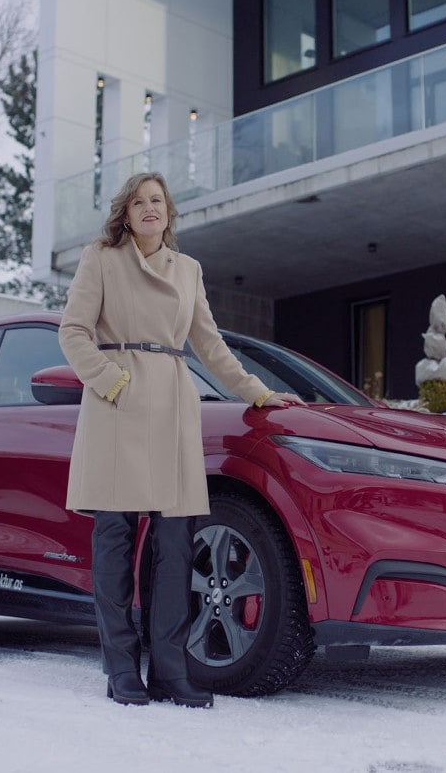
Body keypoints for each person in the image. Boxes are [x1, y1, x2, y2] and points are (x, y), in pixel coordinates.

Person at [58, 172, 304, 708]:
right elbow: (73, 330)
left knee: (175, 549)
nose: (150, 209)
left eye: (159, 202)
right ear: (126, 213)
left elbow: (211, 346)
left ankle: (170, 670)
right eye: (140, 201)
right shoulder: (101, 257)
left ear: (169, 214)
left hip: (172, 405)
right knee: (115, 545)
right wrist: (109, 380)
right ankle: (121, 668)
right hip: (118, 407)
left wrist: (257, 392)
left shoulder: (188, 270)